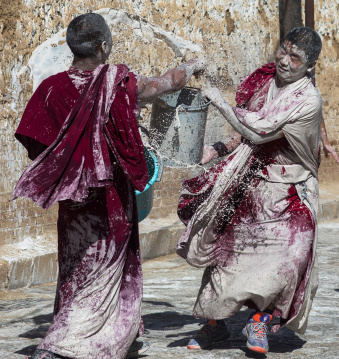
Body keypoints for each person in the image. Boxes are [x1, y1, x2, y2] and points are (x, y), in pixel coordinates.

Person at [12, 13, 205, 359]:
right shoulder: (119, 81)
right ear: (104, 46)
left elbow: (41, 148)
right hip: (112, 197)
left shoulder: (51, 88)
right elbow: (167, 83)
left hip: (74, 199)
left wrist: (76, 164)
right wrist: (192, 66)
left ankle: (111, 331)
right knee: (102, 270)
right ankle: (62, 345)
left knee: (76, 266)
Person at [176, 27, 323, 354]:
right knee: (227, 260)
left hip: (291, 194)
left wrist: (217, 99)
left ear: (309, 65)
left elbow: (258, 129)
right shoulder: (266, 82)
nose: (284, 61)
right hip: (252, 186)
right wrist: (215, 149)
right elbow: (242, 132)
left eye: (294, 58)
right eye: (282, 52)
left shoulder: (306, 99)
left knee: (290, 261)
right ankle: (214, 326)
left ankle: (260, 321)